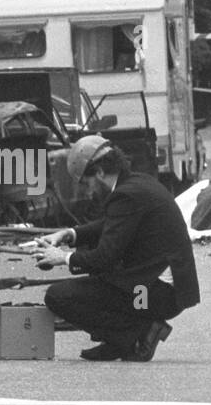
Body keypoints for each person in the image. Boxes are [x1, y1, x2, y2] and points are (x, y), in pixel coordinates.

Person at [34, 136, 199, 361]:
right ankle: (120, 342)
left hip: (151, 295)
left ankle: (139, 332)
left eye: (86, 182)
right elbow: (110, 225)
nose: (88, 191)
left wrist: (63, 258)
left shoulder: (125, 195)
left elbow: (105, 257)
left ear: (100, 172)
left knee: (59, 297)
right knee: (95, 282)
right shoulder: (139, 183)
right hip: (163, 290)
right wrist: (70, 234)